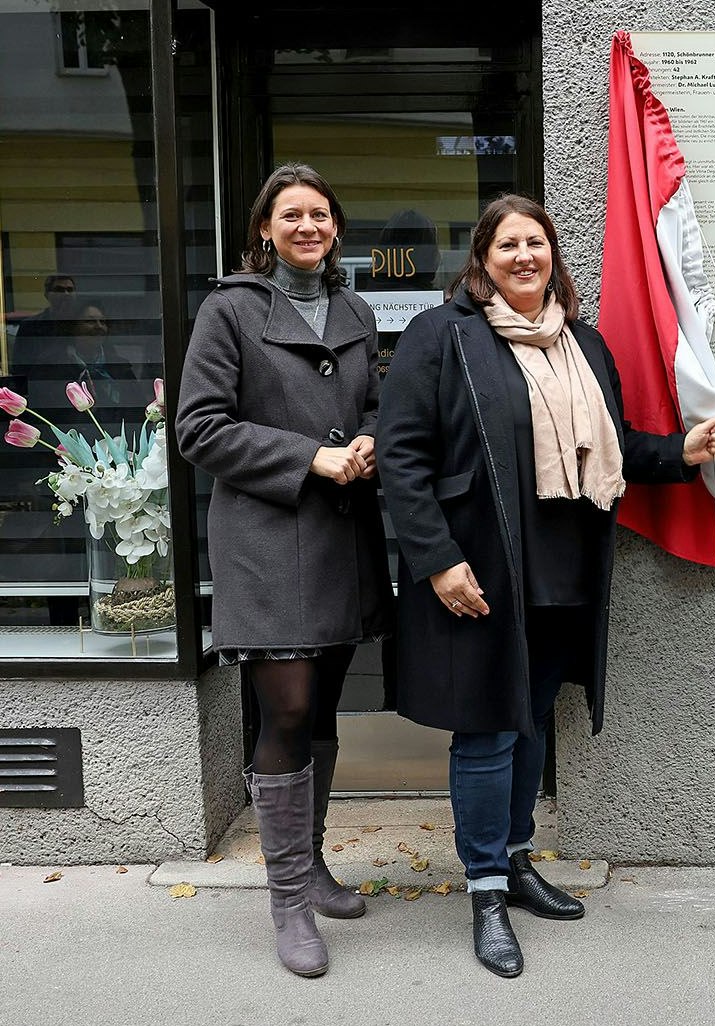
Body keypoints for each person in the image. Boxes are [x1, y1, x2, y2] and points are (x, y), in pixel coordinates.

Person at [376, 194, 715, 979]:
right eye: (508, 245)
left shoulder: (584, 343)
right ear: (482, 258)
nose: (524, 256)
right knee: (486, 726)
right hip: (482, 566)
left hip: (563, 565)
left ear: (552, 253)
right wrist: (436, 559)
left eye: (536, 242)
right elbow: (401, 456)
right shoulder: (444, 336)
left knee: (531, 719)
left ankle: (515, 859)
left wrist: (682, 452)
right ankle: (486, 892)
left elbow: (615, 443)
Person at [176, 163, 394, 978]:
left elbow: (366, 404)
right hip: (267, 540)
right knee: (289, 709)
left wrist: (369, 440)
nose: (307, 227)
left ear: (335, 228)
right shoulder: (229, 309)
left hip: (341, 538)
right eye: (290, 215)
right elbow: (199, 428)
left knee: (327, 704)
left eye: (321, 215)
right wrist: (312, 457)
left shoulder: (356, 308)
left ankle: (315, 865)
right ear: (264, 230)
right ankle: (288, 903)